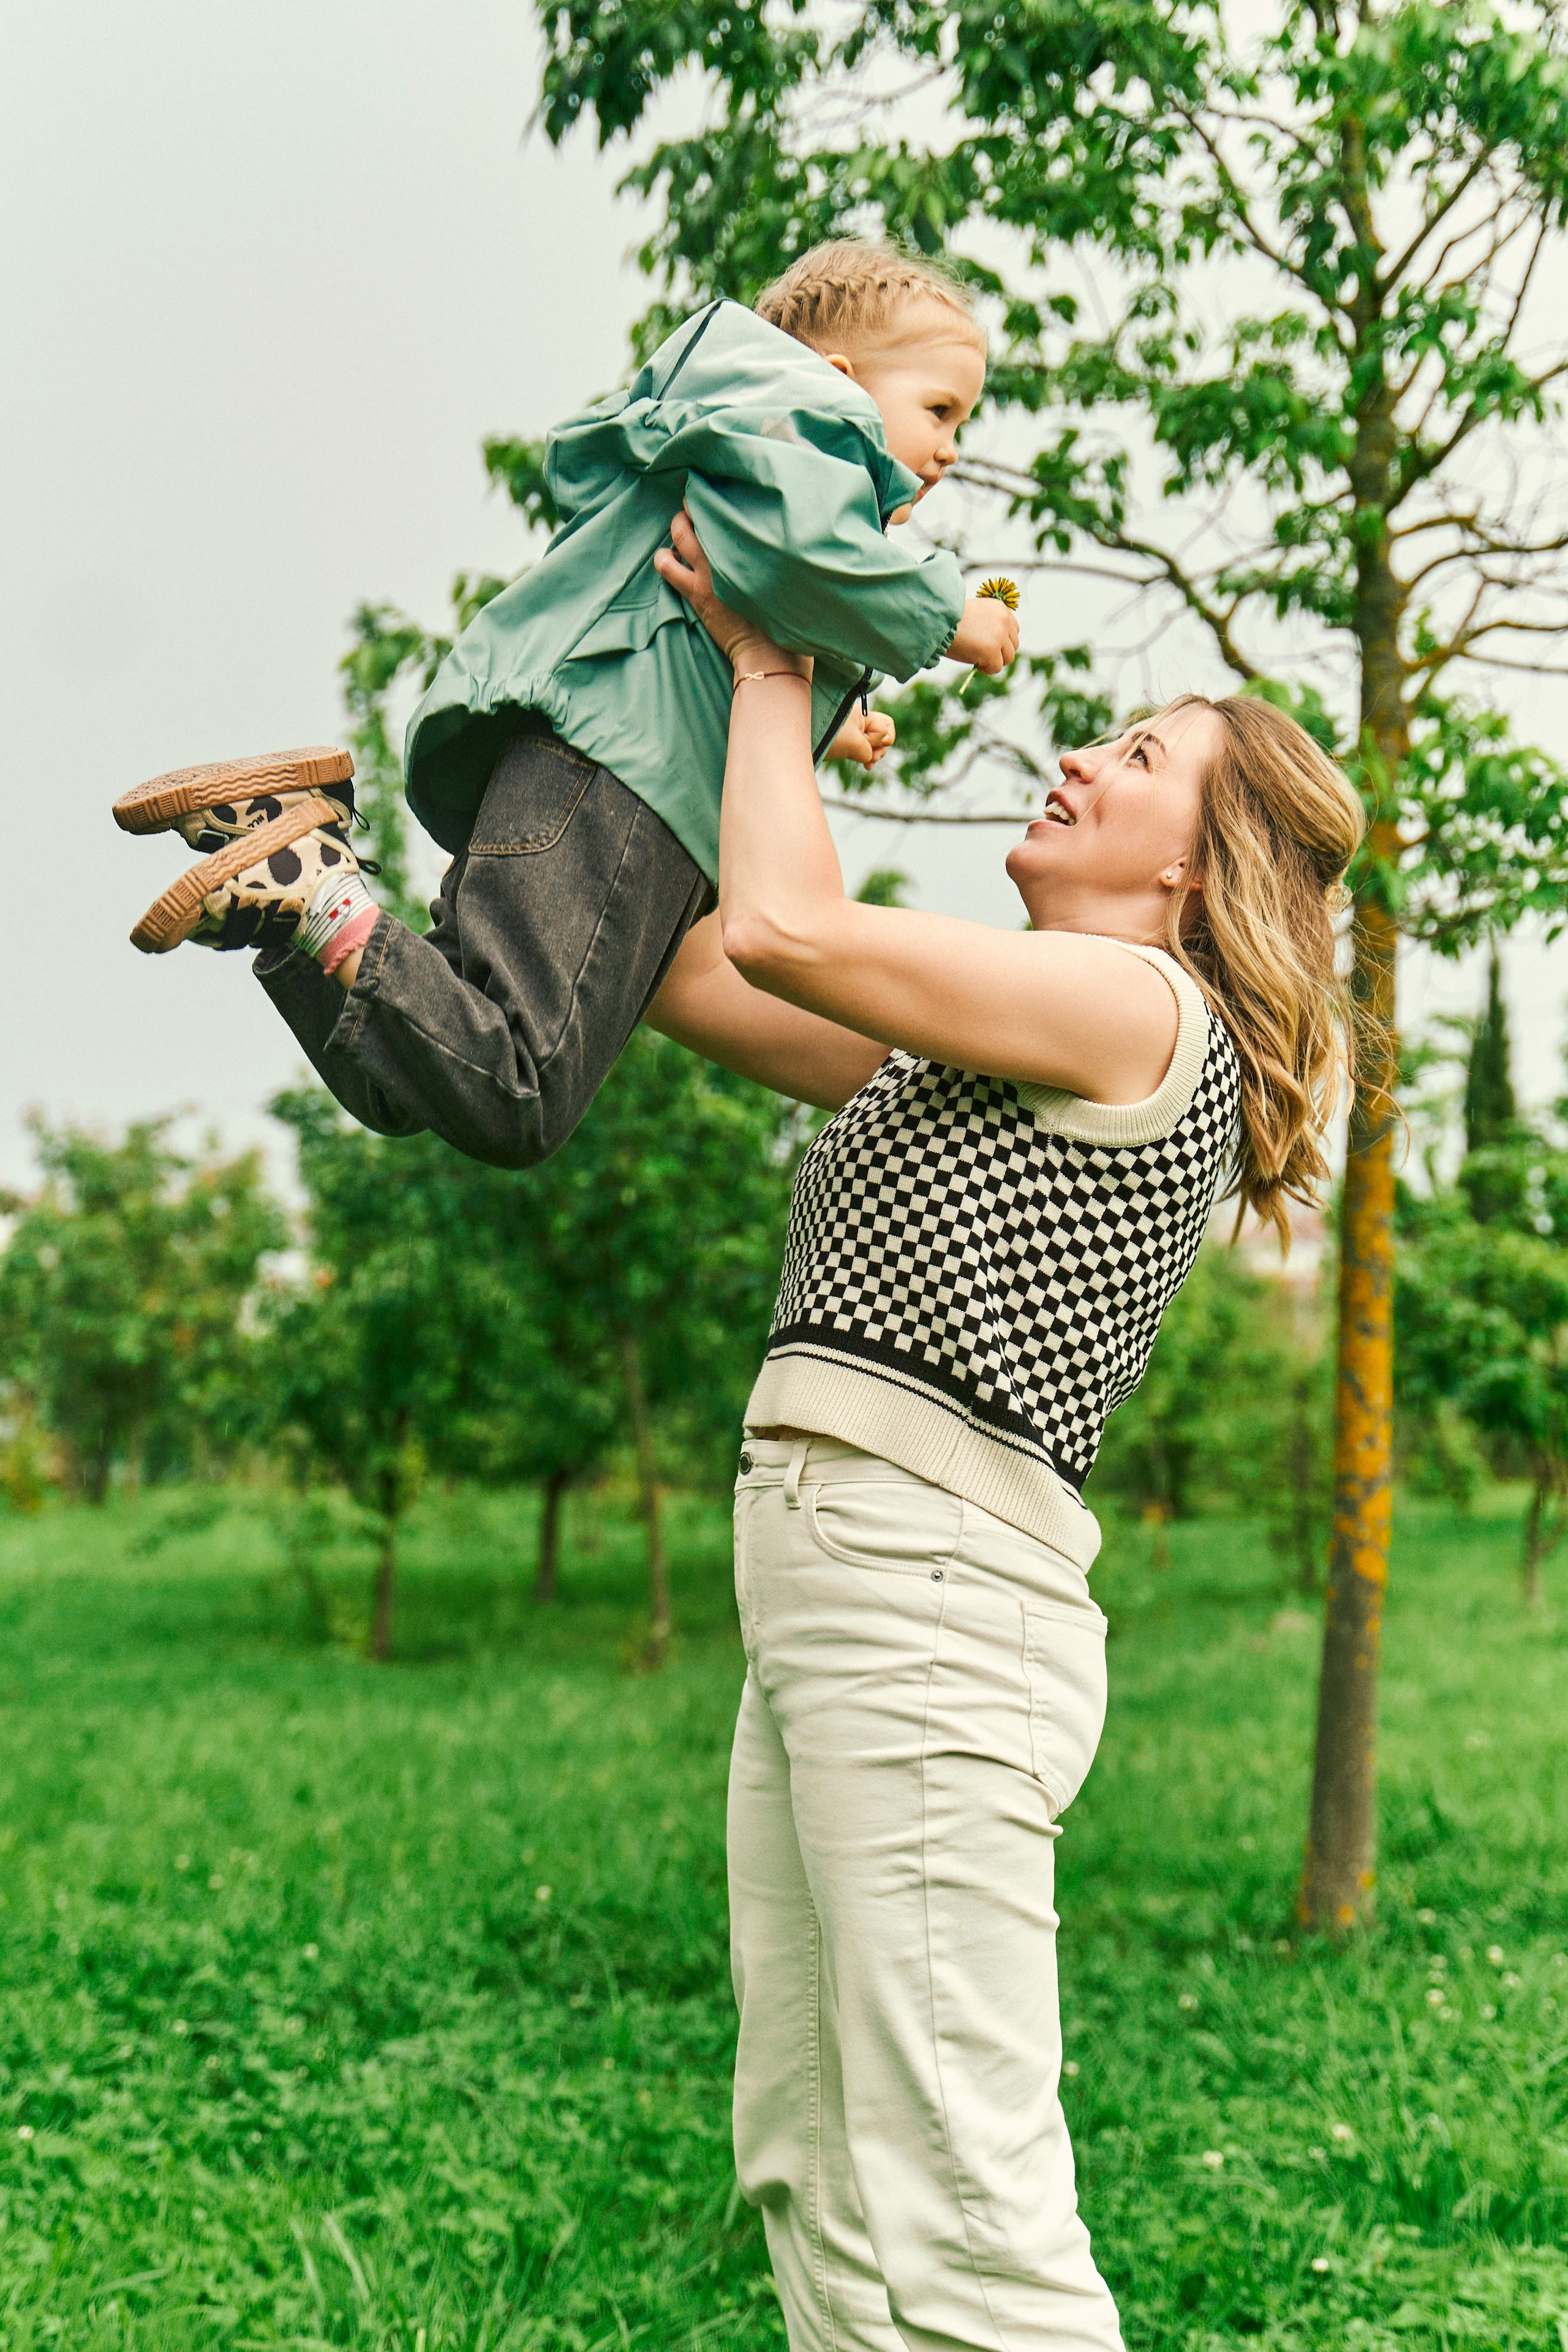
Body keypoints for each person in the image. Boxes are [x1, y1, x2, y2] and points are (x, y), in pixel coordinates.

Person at [643, 507, 1365, 2350]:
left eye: (1136, 761)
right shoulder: (997, 1038)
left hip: (934, 1603)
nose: (1074, 756)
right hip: (844, 1585)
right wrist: (725, 711)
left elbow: (789, 925)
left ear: (1204, 871)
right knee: (815, 2164)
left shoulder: (1142, 1009)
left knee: (966, 2207)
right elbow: (696, 967)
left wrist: (780, 651)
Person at [111, 243, 1019, 1169]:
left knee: (407, 1075)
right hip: (620, 789)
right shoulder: (803, 427)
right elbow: (799, 561)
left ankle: (286, 893)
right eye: (939, 410)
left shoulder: (748, 447)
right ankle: (311, 885)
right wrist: (949, 613)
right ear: (841, 381)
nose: (949, 448)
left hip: (582, 765)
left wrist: (830, 723)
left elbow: (719, 630)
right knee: (519, 1094)